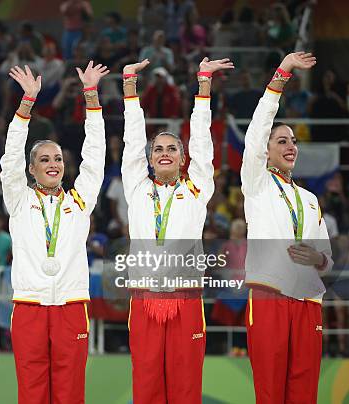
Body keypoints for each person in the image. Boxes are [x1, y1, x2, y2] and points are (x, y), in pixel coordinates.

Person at [122, 56, 233, 403]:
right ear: (150, 158)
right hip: (144, 300)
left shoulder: (197, 189)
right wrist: (129, 88)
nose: (165, 153)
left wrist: (203, 85)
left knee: (186, 386)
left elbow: (202, 143)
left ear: (183, 159)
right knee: (146, 385)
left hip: (186, 300)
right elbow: (131, 140)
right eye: (158, 149)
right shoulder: (137, 188)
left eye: (172, 149)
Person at [1, 61, 107, 404]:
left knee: (71, 390)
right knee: (31, 390)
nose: (52, 164)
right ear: (31, 169)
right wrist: (27, 104)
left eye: (58, 159)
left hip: (71, 303)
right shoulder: (18, 199)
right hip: (30, 304)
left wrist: (91, 97)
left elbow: (96, 157)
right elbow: (9, 157)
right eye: (44, 159)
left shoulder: (79, 201)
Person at [241, 52, 333, 404]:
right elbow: (257, 131)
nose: (291, 146)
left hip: (309, 301)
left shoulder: (310, 198)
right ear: (265, 151)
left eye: (293, 141)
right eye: (282, 141)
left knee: (304, 392)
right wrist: (282, 74)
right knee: (270, 391)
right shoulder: (258, 183)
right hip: (270, 297)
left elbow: (325, 258)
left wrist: (318, 259)